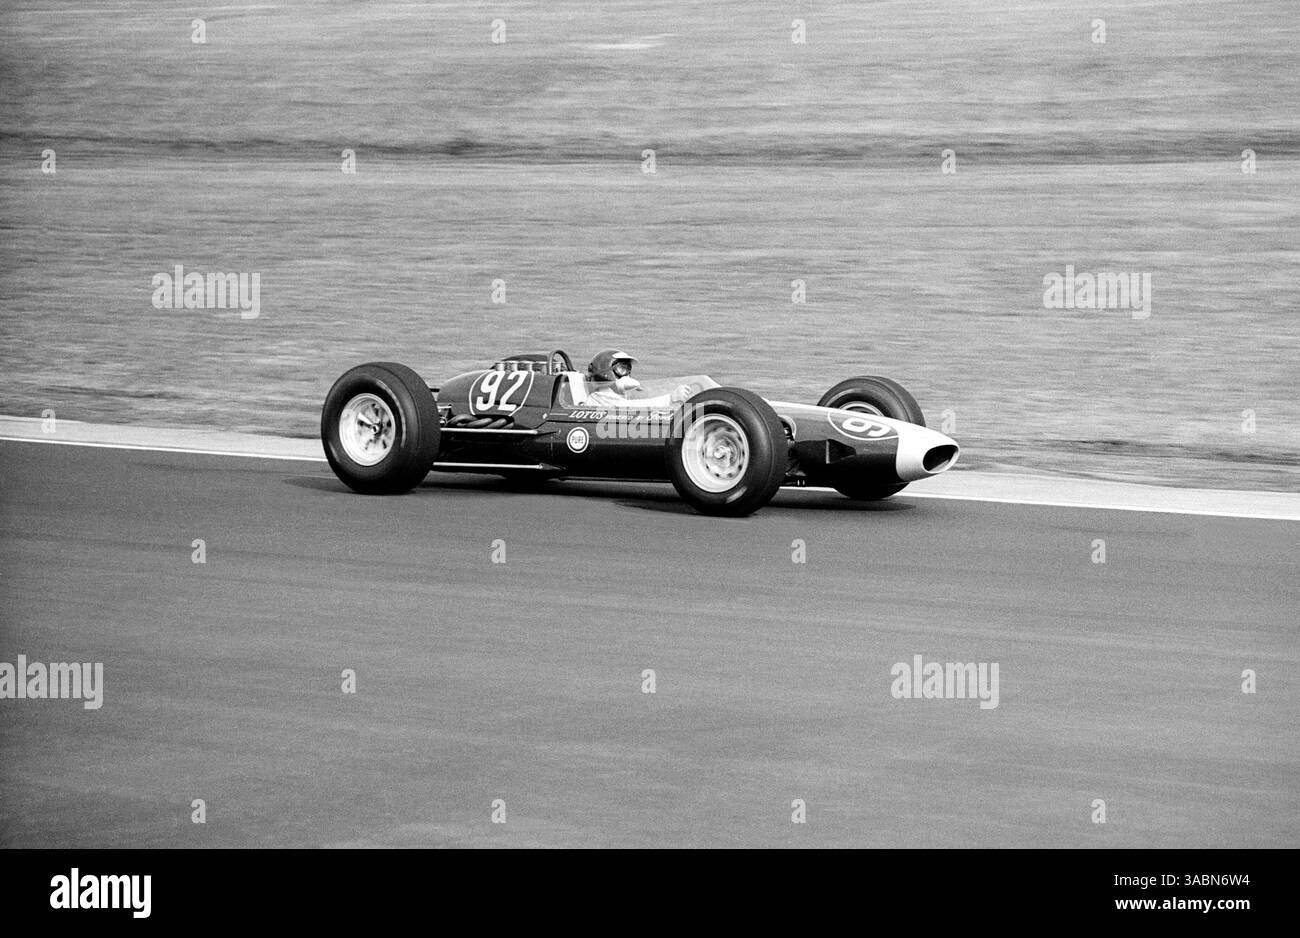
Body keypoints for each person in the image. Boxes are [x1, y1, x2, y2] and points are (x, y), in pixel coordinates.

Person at [583, 349, 692, 408]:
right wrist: (670, 398)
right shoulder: (600, 397)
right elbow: (629, 408)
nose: (627, 375)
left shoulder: (612, 398)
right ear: (607, 370)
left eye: (628, 370)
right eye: (622, 369)